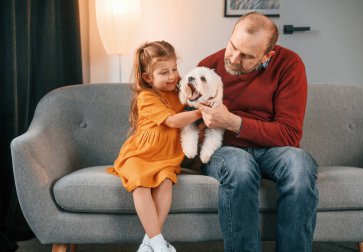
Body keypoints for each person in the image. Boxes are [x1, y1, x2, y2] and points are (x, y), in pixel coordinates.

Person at [197, 12, 318, 252]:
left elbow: (289, 135)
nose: (233, 58)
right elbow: (186, 120)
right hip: (225, 150)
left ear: (267, 56)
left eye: (247, 56)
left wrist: (234, 122)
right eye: (233, 46)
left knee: (300, 163)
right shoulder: (208, 66)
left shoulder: (289, 65)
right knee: (241, 166)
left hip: (273, 151)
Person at [108, 41, 202, 252]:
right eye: (164, 72)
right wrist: (201, 113)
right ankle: (159, 244)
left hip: (166, 157)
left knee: (165, 183)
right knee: (140, 186)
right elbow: (172, 121)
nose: (172, 76)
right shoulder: (146, 97)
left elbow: (197, 95)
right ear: (148, 77)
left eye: (175, 69)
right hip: (140, 155)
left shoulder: (180, 91)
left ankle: (148, 243)